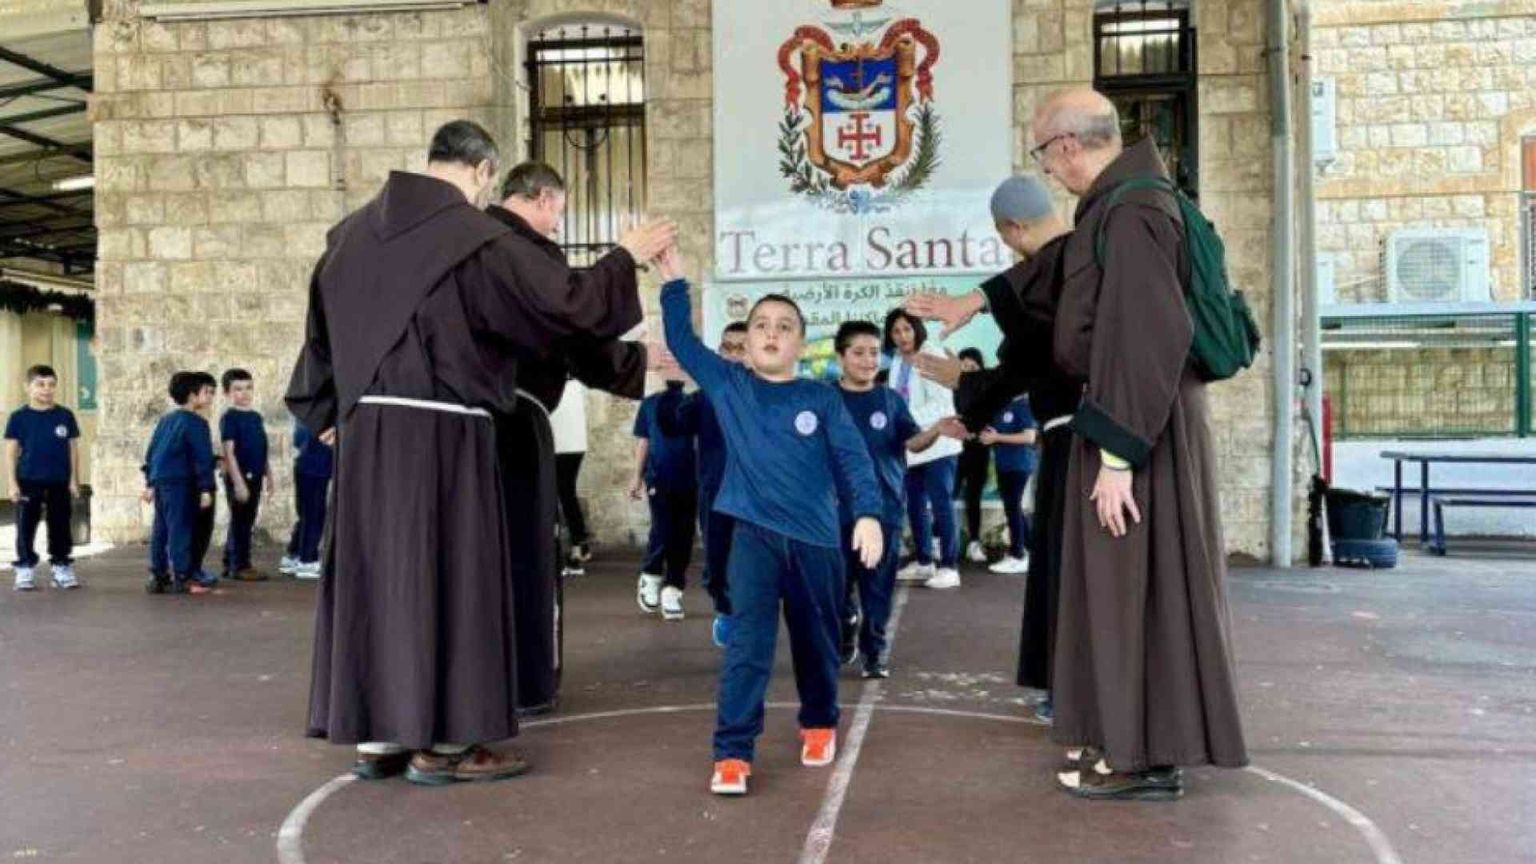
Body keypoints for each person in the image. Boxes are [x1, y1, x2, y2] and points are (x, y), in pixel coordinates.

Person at [285, 121, 676, 785]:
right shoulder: (472, 237)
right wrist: (623, 256)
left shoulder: (346, 236)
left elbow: (317, 341)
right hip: (445, 436)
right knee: (450, 579)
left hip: (366, 437)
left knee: (380, 579)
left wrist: (327, 414)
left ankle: (379, 737)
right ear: (485, 172)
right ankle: (446, 745)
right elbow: (560, 309)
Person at [1034, 88, 1248, 798]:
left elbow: (1145, 332)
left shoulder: (1130, 212)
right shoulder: (1141, 200)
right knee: (1134, 588)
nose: (1049, 172)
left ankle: (1143, 758)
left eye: (1044, 156)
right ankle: (1129, 742)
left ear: (1067, 146)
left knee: (1136, 589)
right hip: (1143, 413)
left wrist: (1119, 456)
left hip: (1138, 425)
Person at [660, 248, 883, 797]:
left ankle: (818, 721)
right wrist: (673, 285)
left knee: (816, 643)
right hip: (752, 538)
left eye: (784, 327)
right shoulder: (730, 385)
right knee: (747, 646)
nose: (770, 333)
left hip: (816, 544)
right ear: (749, 337)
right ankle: (732, 754)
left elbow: (854, 459)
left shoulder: (821, 398)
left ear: (800, 345)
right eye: (761, 324)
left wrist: (871, 515)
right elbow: (684, 344)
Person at [486, 160, 661, 716]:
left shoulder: (481, 248)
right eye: (559, 211)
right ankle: (525, 680)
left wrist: (636, 363)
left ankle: (486, 676)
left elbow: (568, 335)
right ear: (539, 199)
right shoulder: (512, 249)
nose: (559, 225)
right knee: (526, 554)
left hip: (471, 426)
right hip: (510, 424)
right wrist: (625, 255)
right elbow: (571, 314)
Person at [833, 321, 946, 677]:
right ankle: (845, 626)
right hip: (833, 511)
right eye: (858, 353)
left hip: (884, 511)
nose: (868, 360)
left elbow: (912, 442)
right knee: (834, 586)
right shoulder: (824, 399)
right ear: (841, 357)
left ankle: (874, 653)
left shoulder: (890, 400)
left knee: (878, 588)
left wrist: (938, 430)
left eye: (873, 353)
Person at [656, 321, 748, 648]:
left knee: (759, 561)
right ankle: (725, 609)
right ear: (720, 352)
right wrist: (672, 388)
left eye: (742, 347)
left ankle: (753, 617)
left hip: (761, 497)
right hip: (717, 493)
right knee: (719, 559)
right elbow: (672, 425)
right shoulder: (705, 397)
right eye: (728, 347)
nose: (735, 354)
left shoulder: (771, 393)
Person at [883, 309, 965, 589]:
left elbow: (942, 404)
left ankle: (950, 566)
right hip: (911, 444)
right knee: (914, 503)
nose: (902, 336)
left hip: (939, 442)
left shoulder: (933, 353)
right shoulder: (896, 360)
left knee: (941, 502)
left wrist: (905, 420)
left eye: (906, 329)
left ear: (917, 329)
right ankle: (924, 561)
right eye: (896, 331)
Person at [5, 365, 81, 591]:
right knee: (26, 527)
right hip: (28, 480)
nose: (46, 390)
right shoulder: (18, 418)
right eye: (40, 384)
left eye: (51, 385)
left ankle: (61, 567)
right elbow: (10, 452)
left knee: (60, 526)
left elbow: (73, 449)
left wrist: (74, 480)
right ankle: (25, 569)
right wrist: (11, 483)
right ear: (27, 387)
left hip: (59, 481)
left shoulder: (65, 415)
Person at [142, 371, 217, 596]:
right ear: (193, 396)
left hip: (162, 481)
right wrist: (205, 487)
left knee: (161, 529)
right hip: (182, 483)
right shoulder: (197, 423)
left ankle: (158, 575)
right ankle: (183, 577)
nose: (211, 397)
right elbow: (201, 457)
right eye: (207, 392)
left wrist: (150, 482)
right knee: (180, 529)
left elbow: (152, 452)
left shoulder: (165, 421)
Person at [630, 379, 698, 621]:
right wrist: (636, 477)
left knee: (684, 533)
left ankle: (673, 588)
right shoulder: (649, 404)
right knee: (663, 528)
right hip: (659, 478)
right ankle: (651, 574)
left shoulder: (695, 403)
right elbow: (644, 442)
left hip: (691, 480)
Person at [219, 369, 272, 582]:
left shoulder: (256, 417)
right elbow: (229, 453)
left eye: (248, 387)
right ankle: (241, 565)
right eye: (238, 389)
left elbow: (261, 447)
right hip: (240, 477)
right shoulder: (229, 418)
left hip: (256, 475)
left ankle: (230, 561)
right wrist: (239, 482)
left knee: (244, 520)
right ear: (227, 393)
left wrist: (269, 474)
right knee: (242, 520)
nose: (244, 393)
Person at [982, 395, 1037, 575]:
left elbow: (1029, 437)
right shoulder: (1000, 405)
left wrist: (997, 436)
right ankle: (1029, 549)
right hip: (1004, 464)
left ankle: (1017, 555)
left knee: (1013, 507)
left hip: (1019, 464)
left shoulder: (1023, 405)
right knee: (1013, 508)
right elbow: (991, 433)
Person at [280, 418, 332, 581]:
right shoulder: (321, 415)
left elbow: (297, 440)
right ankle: (307, 560)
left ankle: (294, 554)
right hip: (316, 467)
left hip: (306, 465)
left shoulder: (304, 414)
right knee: (315, 515)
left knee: (306, 515)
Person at [952, 349, 991, 564]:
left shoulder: (987, 391)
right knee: (949, 494)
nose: (968, 371)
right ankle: (940, 541)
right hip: (955, 449)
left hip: (978, 450)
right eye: (964, 366)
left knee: (973, 497)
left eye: (973, 367)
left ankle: (975, 543)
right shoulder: (952, 389)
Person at [550, 379, 591, 576]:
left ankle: (563, 552)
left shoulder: (550, 382)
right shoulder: (576, 384)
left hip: (559, 444)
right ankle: (579, 543)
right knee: (567, 494)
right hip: (575, 444)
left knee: (553, 496)